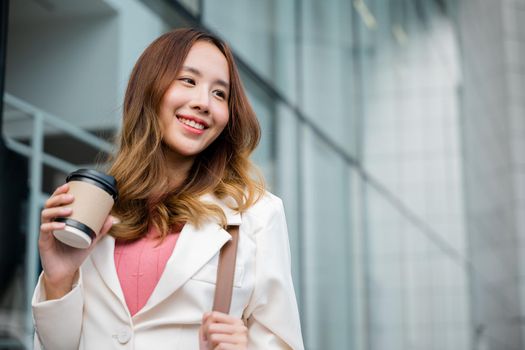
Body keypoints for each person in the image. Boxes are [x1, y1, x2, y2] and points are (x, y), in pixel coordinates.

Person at [32, 28, 304, 349]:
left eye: (220, 94)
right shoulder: (97, 209)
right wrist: (58, 279)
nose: (204, 102)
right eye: (188, 80)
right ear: (148, 89)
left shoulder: (257, 214)